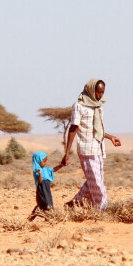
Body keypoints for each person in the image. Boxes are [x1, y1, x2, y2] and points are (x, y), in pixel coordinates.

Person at [54, 78, 120, 211]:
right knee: (97, 183)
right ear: (90, 90)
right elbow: (73, 129)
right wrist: (67, 153)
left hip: (99, 149)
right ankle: (103, 209)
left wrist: (110, 137)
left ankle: (74, 204)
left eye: (102, 92)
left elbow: (96, 129)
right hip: (87, 150)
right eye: (97, 92)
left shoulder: (98, 106)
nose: (100, 95)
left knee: (95, 181)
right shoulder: (79, 106)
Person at [27, 150, 56, 222]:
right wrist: (40, 174)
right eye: (44, 161)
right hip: (42, 189)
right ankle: (46, 218)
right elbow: (40, 182)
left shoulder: (45, 169)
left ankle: (46, 218)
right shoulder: (37, 170)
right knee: (44, 202)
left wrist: (61, 165)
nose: (45, 163)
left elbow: (53, 170)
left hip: (46, 189)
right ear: (38, 161)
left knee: (46, 202)